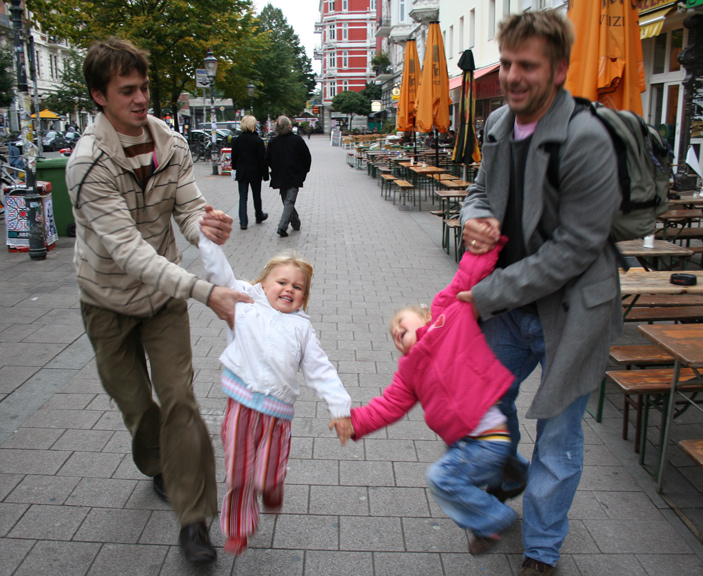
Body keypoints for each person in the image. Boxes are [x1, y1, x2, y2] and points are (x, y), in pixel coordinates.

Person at [66, 37, 253, 565]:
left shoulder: (170, 143)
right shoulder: (87, 164)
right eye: (127, 90)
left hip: (163, 299)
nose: (141, 98)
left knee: (180, 400)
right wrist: (207, 292)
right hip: (106, 299)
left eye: (143, 87)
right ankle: (158, 463)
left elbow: (187, 207)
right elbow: (128, 252)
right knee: (134, 403)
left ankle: (194, 521)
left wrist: (205, 227)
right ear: (100, 96)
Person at [458, 12, 622, 575]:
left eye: (526, 65)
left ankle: (542, 550)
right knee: (484, 406)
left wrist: (488, 292)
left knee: (559, 436)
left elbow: (574, 249)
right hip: (508, 310)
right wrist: (475, 217)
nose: (512, 76)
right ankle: (508, 474)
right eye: (506, 63)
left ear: (558, 70)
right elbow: (480, 189)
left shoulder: (588, 138)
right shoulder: (498, 123)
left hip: (572, 312)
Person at [336, 240, 516, 555]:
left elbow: (465, 277)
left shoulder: (449, 315)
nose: (396, 331)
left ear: (425, 314)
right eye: (393, 335)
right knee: (461, 470)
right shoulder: (409, 369)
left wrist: (484, 246)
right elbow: (389, 405)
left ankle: (494, 519)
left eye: (400, 322)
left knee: (442, 480)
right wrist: (355, 422)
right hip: (464, 442)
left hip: (485, 435)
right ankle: (516, 472)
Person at [198, 236, 352, 556]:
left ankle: (271, 486)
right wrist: (208, 241)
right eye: (282, 282)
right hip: (240, 407)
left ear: (304, 296)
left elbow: (321, 369)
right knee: (239, 473)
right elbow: (219, 273)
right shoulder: (244, 303)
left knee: (267, 472)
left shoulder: (302, 329)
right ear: (263, 284)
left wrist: (340, 408)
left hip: (276, 415)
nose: (289, 289)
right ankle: (239, 527)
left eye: (298, 287)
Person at [266, 115, 311, 237]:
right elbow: (306, 158)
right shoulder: (297, 140)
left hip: (282, 176)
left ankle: (282, 226)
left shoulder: (274, 142)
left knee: (288, 201)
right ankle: (295, 222)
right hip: (293, 175)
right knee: (288, 202)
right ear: (289, 126)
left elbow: (268, 159)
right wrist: (303, 171)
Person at [230, 114, 268, 230]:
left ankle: (243, 221)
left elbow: (234, 157)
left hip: (242, 172)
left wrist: (235, 169)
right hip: (255, 172)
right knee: (256, 195)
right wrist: (265, 175)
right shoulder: (258, 140)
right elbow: (262, 159)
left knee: (243, 196)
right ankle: (259, 216)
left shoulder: (237, 140)